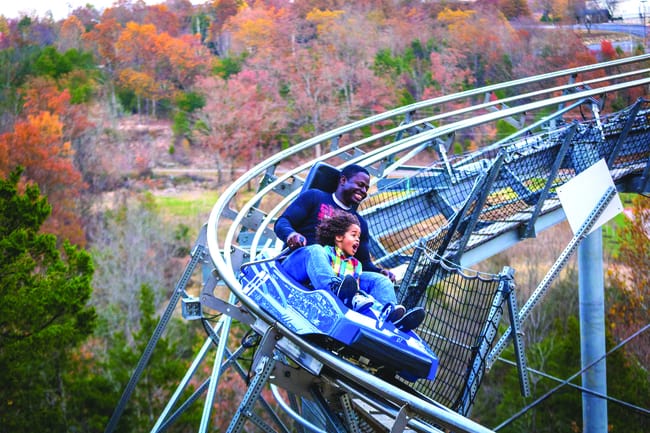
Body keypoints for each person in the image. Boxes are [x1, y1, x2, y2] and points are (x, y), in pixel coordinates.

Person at [275, 163, 424, 331]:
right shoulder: (315, 197)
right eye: (360, 185)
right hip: (297, 267)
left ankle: (390, 320)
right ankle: (335, 290)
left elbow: (364, 262)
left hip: (339, 273)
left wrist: (380, 271)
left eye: (367, 188)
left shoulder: (359, 223)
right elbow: (282, 222)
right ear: (343, 180)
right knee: (316, 250)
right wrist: (290, 235)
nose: (364, 191)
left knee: (380, 282)